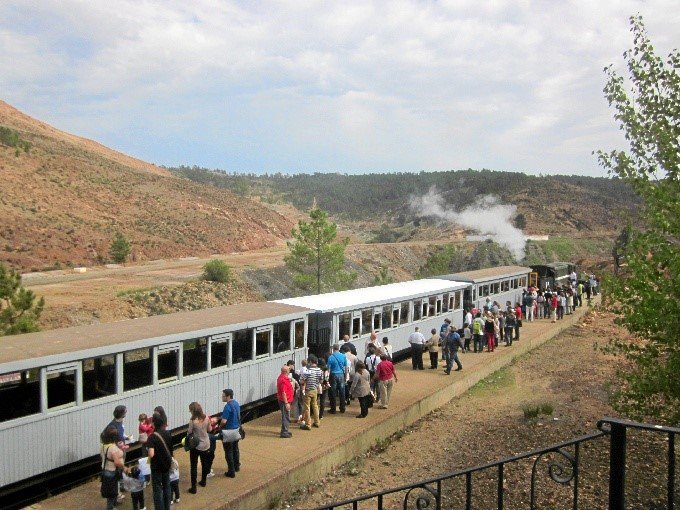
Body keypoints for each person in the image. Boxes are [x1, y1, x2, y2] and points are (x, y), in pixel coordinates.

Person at [147, 412, 173, 510]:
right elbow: (170, 449)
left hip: (156, 466)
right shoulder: (168, 433)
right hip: (167, 464)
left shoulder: (152, 437)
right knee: (167, 486)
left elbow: (151, 454)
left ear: (154, 424)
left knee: (157, 489)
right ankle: (167, 507)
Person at [100, 426, 130, 510]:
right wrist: (124, 467)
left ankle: (113, 504)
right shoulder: (112, 448)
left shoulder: (103, 446)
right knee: (111, 493)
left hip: (105, 470)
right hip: (112, 471)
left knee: (111, 490)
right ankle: (110, 508)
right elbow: (117, 462)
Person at [187, 402, 213, 493]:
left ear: (193, 411)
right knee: (204, 463)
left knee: (193, 466)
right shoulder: (206, 418)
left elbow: (189, 432)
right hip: (206, 444)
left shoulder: (192, 421)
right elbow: (210, 429)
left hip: (195, 445)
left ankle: (193, 488)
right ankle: (203, 481)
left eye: (190, 410)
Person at [220, 389, 241, 478]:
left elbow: (224, 421)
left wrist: (219, 427)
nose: (222, 397)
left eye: (223, 396)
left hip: (229, 431)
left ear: (228, 396)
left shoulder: (227, 407)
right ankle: (237, 466)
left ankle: (231, 471)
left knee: (228, 451)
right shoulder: (236, 403)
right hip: (236, 430)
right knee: (235, 448)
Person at [300, 355, 323, 430]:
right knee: (315, 406)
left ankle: (308, 424)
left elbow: (302, 381)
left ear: (310, 361)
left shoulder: (308, 371)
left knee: (307, 407)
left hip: (308, 390)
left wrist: (303, 381)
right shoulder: (319, 370)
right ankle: (317, 422)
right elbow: (321, 381)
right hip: (315, 390)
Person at [327, 344, 348, 414]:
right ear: (338, 348)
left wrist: (327, 378)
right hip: (341, 375)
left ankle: (333, 409)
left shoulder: (330, 357)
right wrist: (345, 376)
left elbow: (328, 369)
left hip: (333, 375)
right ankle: (342, 408)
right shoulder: (343, 356)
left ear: (333, 349)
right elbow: (346, 368)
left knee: (333, 392)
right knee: (342, 392)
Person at [277, 365, 294, 438]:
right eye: (288, 370)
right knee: (286, 416)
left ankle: (284, 430)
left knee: (285, 415)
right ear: (286, 372)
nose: (289, 371)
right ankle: (284, 432)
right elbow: (283, 393)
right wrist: (286, 403)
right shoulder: (283, 380)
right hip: (284, 401)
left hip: (283, 400)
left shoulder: (281, 377)